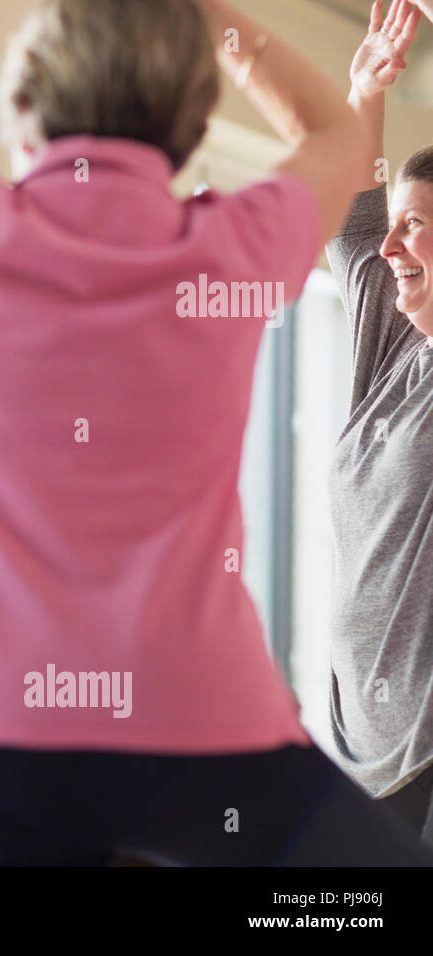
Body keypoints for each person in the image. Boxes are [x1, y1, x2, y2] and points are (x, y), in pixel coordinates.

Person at [0, 0, 433, 864]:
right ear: (188, 118)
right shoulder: (229, 247)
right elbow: (334, 134)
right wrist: (203, 17)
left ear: (22, 114)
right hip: (198, 724)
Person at [326, 0, 433, 846]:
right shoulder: (387, 347)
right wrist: (365, 92)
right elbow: (358, 226)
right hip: (362, 746)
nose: (394, 245)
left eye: (419, 226)